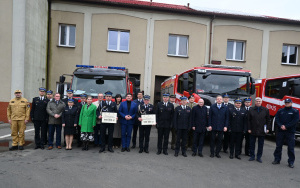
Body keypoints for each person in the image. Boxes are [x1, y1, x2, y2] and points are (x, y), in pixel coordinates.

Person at [272, 98, 299, 168]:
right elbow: (277, 119)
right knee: (278, 146)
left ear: (291, 103)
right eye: (286, 102)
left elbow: (295, 121)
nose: (287, 103)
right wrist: (281, 126)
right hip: (281, 131)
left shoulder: (295, 111)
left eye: (288, 102)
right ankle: (277, 159)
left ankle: (291, 162)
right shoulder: (280, 110)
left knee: (290, 148)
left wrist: (286, 126)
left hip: (290, 132)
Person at [248, 97, 271, 163]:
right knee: (252, 144)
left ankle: (259, 157)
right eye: (257, 101)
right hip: (253, 129)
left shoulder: (266, 110)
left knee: (260, 144)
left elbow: (268, 120)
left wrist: (268, 128)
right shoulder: (251, 109)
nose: (258, 102)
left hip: (262, 130)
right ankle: (252, 156)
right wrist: (249, 128)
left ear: (261, 102)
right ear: (255, 102)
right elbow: (248, 120)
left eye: (259, 101)